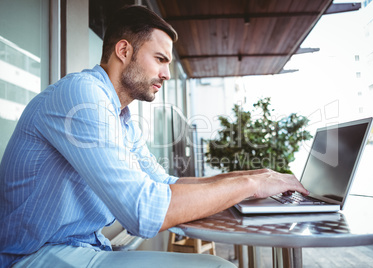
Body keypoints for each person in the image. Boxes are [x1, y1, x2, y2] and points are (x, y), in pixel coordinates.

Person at [0, 5, 309, 268]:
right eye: (160, 59)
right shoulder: (81, 95)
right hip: (34, 256)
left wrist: (255, 177)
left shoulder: (120, 116)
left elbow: (165, 183)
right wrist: (250, 185)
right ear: (124, 50)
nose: (167, 74)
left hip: (84, 249)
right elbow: (143, 212)